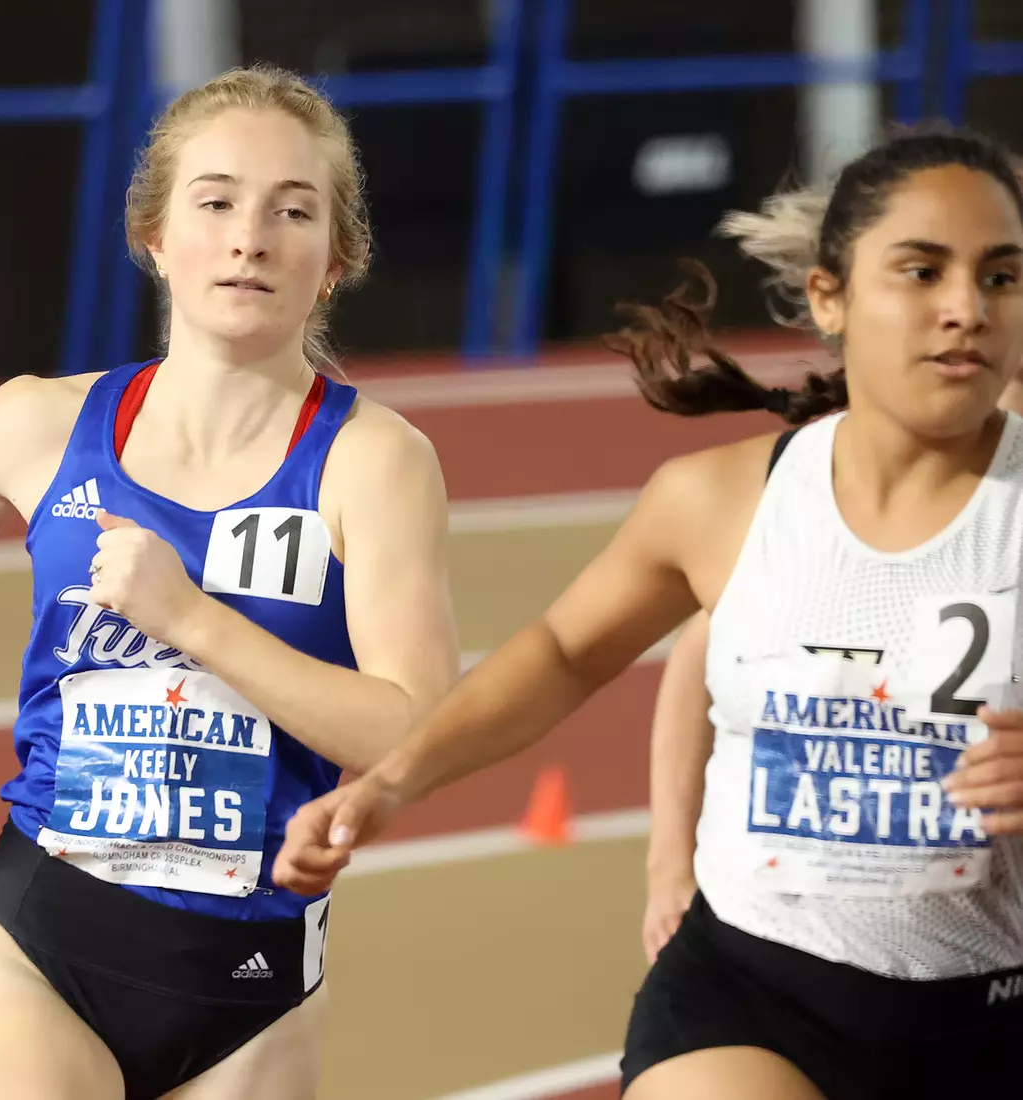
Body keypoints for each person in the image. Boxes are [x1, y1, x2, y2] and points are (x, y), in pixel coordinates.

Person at [271, 126, 1023, 1100]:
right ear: (830, 295)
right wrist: (389, 783)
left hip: (988, 1013)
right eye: (921, 272)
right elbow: (563, 649)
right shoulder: (717, 503)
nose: (965, 307)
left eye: (1001, 277)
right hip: (755, 992)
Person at [0, 64, 459, 1100]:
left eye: (293, 211)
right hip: (38, 944)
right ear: (154, 235)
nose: (250, 236)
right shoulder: (38, 422)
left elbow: (416, 732)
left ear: (336, 260)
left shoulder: (373, 463)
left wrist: (193, 619)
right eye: (216, 202)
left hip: (252, 989)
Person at [642, 374, 1023, 966]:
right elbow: (699, 659)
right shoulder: (868, 465)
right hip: (789, 955)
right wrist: (669, 864)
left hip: (982, 963)